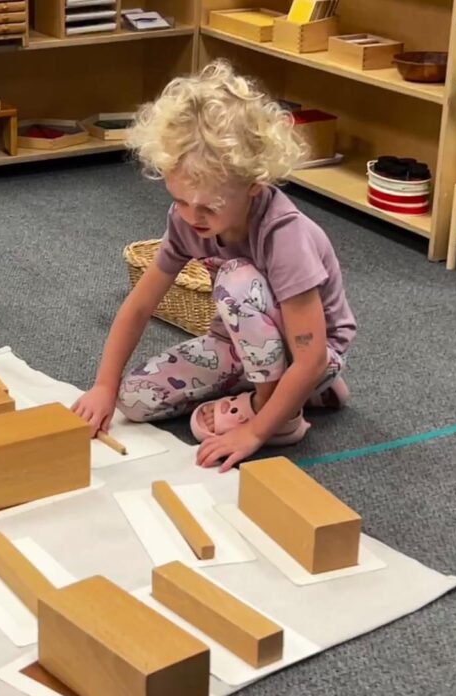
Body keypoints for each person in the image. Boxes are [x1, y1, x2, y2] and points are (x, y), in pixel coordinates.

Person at [72, 61, 356, 471]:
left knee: (235, 279)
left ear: (253, 184)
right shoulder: (187, 217)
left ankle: (278, 411)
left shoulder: (284, 234)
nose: (192, 216)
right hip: (238, 346)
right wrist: (104, 385)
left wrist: (255, 431)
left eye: (208, 206)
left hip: (311, 355)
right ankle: (298, 393)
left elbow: (310, 356)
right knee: (133, 400)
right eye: (182, 200)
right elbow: (139, 306)